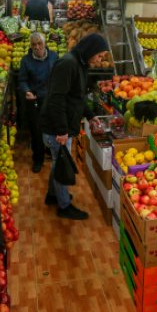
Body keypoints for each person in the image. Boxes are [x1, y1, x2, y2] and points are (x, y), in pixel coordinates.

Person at [40, 33, 110, 220]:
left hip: (62, 124)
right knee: (62, 165)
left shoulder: (80, 63)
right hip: (56, 128)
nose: (100, 59)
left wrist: (90, 115)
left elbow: (76, 97)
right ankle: (64, 206)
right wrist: (61, 130)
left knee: (59, 162)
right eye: (100, 55)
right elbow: (56, 99)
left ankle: (52, 195)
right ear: (91, 50)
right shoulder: (68, 64)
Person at [18, 32, 57, 173]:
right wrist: (26, 91)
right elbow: (22, 80)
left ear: (45, 43)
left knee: (51, 127)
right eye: (34, 44)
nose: (37, 47)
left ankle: (50, 151)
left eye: (40, 43)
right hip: (34, 99)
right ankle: (38, 159)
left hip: (50, 99)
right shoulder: (26, 61)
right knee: (36, 130)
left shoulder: (54, 56)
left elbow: (59, 75)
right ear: (30, 46)